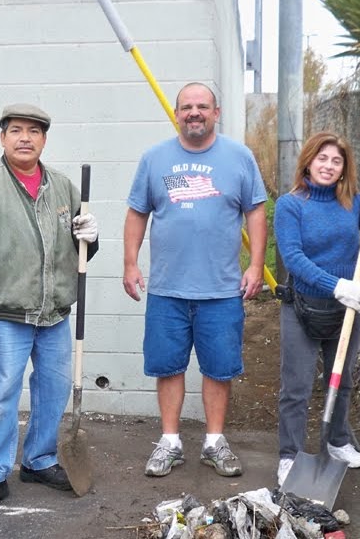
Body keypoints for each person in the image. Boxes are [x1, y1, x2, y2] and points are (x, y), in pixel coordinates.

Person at [0, 103, 100, 515]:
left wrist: (92, 235)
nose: (24, 138)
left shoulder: (66, 188)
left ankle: (39, 460)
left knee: (52, 391)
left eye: (33, 131)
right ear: (2, 137)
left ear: (44, 140)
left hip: (54, 315)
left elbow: (80, 252)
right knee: (2, 396)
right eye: (16, 130)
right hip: (4, 315)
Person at [123, 82, 268, 479]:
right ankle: (170, 442)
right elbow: (138, 212)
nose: (194, 113)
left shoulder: (239, 158)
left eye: (202, 106)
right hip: (167, 288)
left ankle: (213, 442)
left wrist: (255, 266)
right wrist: (130, 263)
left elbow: (256, 211)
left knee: (219, 369)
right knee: (167, 366)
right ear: (176, 114)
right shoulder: (154, 159)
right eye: (186, 107)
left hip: (221, 289)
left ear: (216, 113)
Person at [273, 131, 360, 487]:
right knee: (296, 385)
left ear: (344, 168)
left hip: (347, 309)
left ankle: (337, 441)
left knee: (341, 381)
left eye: (336, 161)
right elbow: (293, 258)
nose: (328, 166)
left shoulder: (354, 202)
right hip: (303, 306)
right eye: (322, 158)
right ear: (308, 162)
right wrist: (337, 285)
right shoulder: (291, 204)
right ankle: (289, 455)